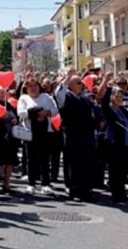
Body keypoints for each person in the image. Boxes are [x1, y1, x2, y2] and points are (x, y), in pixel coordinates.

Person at [55, 70, 97, 202]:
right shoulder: (66, 97)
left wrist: (94, 135)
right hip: (73, 135)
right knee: (74, 163)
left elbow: (92, 117)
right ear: (71, 85)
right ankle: (74, 189)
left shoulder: (85, 99)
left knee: (87, 163)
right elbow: (58, 93)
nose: (82, 84)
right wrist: (67, 78)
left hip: (87, 136)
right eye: (78, 82)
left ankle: (86, 190)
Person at [17, 76, 57, 197]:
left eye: (35, 86)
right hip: (31, 132)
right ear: (26, 88)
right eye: (30, 86)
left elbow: (54, 110)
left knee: (45, 159)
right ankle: (31, 184)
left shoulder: (46, 97)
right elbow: (21, 112)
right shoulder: (24, 98)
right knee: (31, 159)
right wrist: (37, 111)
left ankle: (45, 184)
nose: (33, 88)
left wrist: (46, 113)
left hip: (45, 131)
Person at [99, 72, 128, 202]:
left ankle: (122, 192)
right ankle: (116, 194)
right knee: (115, 170)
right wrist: (109, 86)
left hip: (124, 144)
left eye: (121, 96)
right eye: (117, 96)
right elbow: (103, 103)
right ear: (112, 97)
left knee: (122, 171)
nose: (120, 98)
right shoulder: (110, 110)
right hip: (114, 144)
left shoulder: (122, 110)